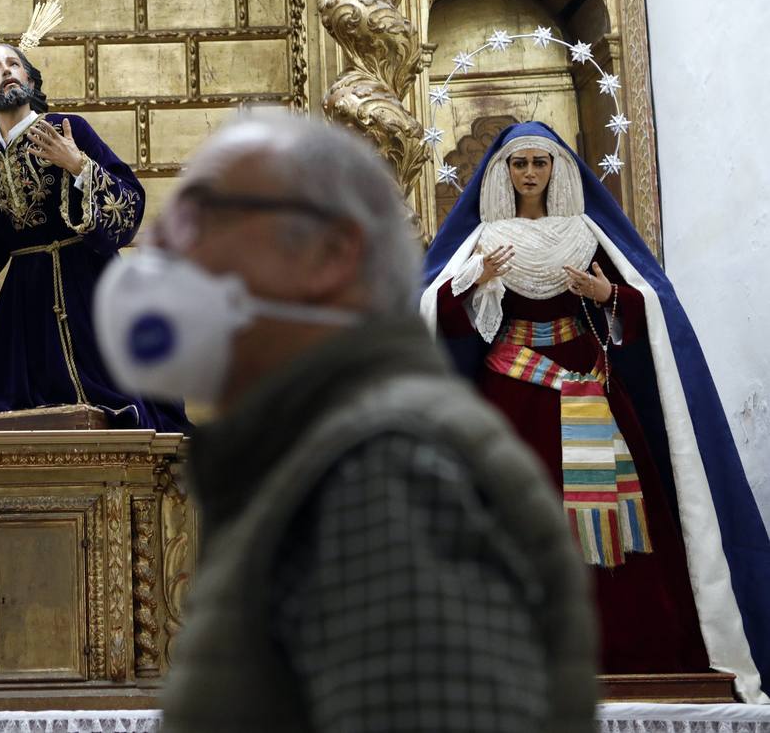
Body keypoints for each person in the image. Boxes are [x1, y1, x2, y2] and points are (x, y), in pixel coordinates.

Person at [94, 110, 595, 732]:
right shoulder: (321, 452)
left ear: (330, 253)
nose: (161, 249)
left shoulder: (386, 468)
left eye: (201, 215)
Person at [422, 120, 770, 698]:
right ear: (502, 172)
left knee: (610, 515)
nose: (529, 173)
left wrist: (605, 294)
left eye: (539, 163)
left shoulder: (585, 233)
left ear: (556, 169)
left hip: (587, 385)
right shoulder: (485, 239)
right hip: (513, 391)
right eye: (519, 164)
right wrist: (472, 281)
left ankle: (624, 641)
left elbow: (643, 307)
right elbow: (447, 322)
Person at [0, 41, 185, 431]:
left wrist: (79, 164)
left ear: (29, 79)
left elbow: (129, 202)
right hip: (26, 301)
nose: (7, 70)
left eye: (14, 64)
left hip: (90, 285)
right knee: (18, 413)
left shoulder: (69, 129)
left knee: (112, 400)